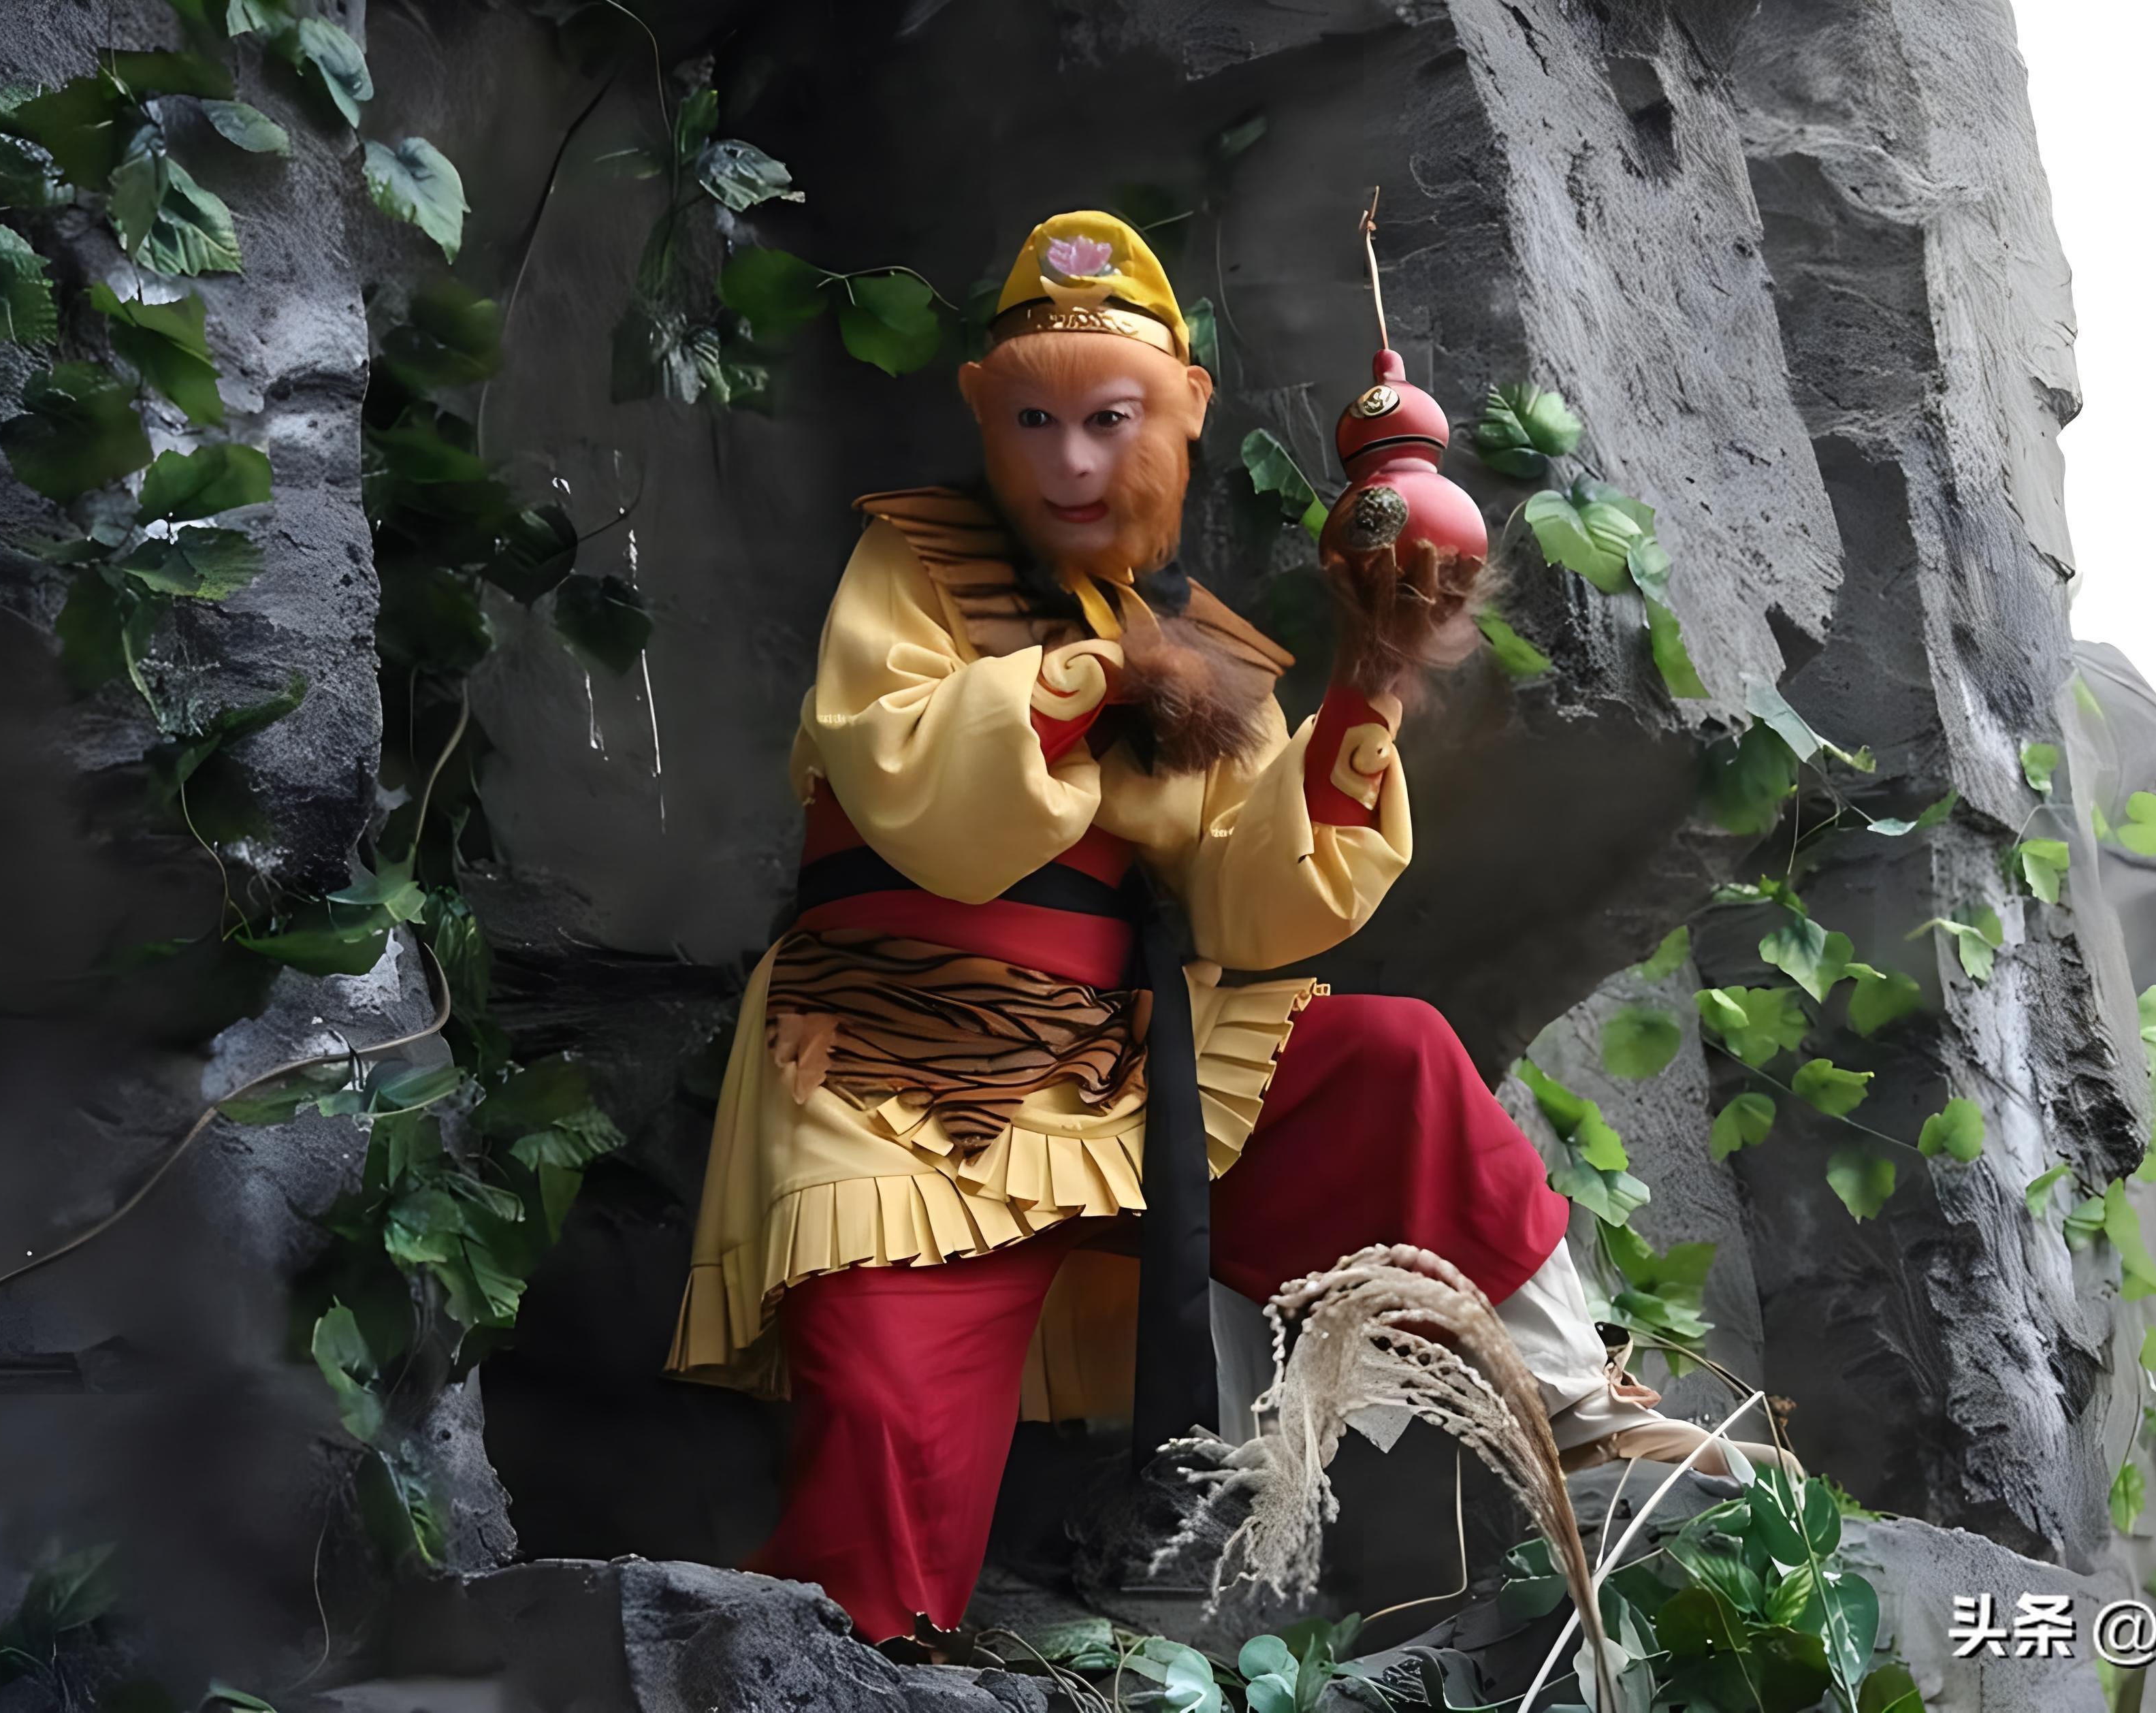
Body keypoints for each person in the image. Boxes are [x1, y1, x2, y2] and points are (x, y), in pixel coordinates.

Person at [666, 211, 1788, 1644]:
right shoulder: (916, 565)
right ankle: (846, 1659)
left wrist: (1370, 682)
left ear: (1185, 411)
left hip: (1123, 1069)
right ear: (983, 415)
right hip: (901, 1065)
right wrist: (1094, 677)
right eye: (1034, 421)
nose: (1072, 462)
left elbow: (1256, 908)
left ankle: (1575, 1410)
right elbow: (915, 795)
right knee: (883, 1454)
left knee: (1392, 1065)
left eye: (1109, 419)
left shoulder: (1206, 650)